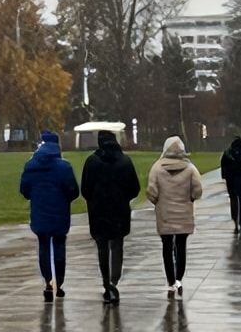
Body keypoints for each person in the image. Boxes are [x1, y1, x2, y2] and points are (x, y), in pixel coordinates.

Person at [81, 130, 140, 305]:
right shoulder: (125, 161)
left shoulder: (92, 162)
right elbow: (134, 188)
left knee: (102, 248)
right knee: (117, 246)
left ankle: (107, 283)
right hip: (119, 210)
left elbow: (85, 189)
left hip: (98, 211)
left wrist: (95, 200)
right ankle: (114, 281)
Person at [20, 130, 80, 302]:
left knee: (43, 247)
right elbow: (73, 191)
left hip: (40, 212)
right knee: (59, 247)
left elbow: (24, 189)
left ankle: (48, 281)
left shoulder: (31, 166)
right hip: (60, 213)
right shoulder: (64, 167)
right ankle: (59, 284)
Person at [148, 136, 203, 296]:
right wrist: (190, 199)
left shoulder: (157, 168)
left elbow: (152, 191)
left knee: (167, 247)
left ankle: (171, 280)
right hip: (184, 213)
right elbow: (197, 191)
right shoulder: (190, 169)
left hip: (164, 214)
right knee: (181, 246)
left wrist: (158, 203)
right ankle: (179, 277)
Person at [220, 137, 241, 235]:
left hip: (231, 180)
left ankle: (235, 221)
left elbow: (223, 166)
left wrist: (225, 176)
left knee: (233, 201)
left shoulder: (227, 154)